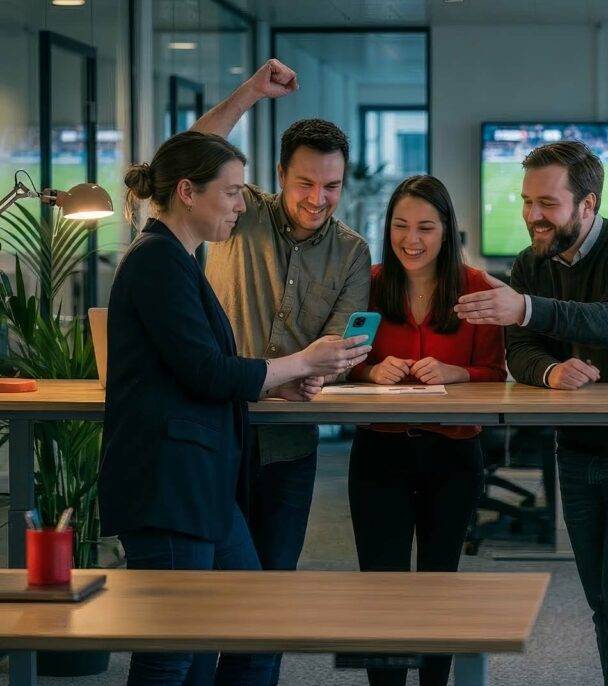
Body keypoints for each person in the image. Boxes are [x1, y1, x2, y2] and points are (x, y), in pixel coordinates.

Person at [99, 131, 370, 685]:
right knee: (174, 651)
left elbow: (203, 369)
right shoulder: (158, 263)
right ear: (187, 192)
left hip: (202, 480)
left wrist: (276, 384)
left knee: (250, 616)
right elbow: (206, 371)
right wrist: (298, 366)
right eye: (230, 193)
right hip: (172, 482)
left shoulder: (177, 261)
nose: (240, 205)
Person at [454, 140, 608, 686]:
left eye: (548, 203)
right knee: (604, 603)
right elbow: (522, 350)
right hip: (578, 449)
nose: (533, 215)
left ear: (588, 204)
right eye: (527, 201)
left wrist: (527, 307)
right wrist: (551, 372)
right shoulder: (530, 262)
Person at [190, 60, 372, 682]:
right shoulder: (243, 213)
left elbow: (342, 345)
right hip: (215, 433)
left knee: (270, 596)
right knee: (200, 598)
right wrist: (249, 93)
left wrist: (326, 372)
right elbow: (194, 154)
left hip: (291, 447)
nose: (317, 199)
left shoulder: (352, 251)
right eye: (305, 183)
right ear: (278, 177)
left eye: (331, 186)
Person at [346, 175, 506, 686]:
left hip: (453, 453)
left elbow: (495, 373)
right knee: (382, 589)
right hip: (379, 451)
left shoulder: (478, 287)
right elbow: (341, 360)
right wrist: (370, 370)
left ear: (446, 231)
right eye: (400, 226)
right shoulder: (367, 282)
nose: (411, 239)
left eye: (425, 228)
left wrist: (457, 372)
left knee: (440, 586)